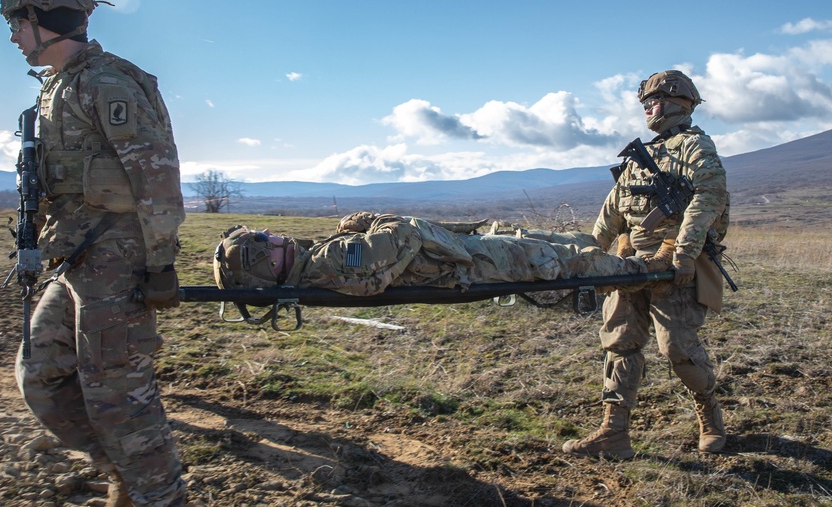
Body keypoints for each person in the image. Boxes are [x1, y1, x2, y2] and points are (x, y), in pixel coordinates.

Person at [0, 0, 205, 507]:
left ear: (42, 20)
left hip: (118, 260)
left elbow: (156, 172)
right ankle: (126, 484)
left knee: (120, 398)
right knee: (39, 372)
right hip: (75, 256)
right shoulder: (58, 87)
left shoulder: (106, 82)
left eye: (17, 24)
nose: (13, 37)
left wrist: (161, 262)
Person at [562, 70, 730, 460]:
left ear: (678, 103)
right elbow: (613, 211)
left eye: (654, 101)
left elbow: (709, 197)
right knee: (619, 343)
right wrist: (586, 255)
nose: (648, 109)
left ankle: (711, 417)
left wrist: (685, 253)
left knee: (679, 350)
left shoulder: (695, 147)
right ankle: (613, 433)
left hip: (674, 265)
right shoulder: (643, 155)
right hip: (630, 263)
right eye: (645, 103)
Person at [213, 212, 675, 294]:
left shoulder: (316, 262)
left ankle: (622, 257)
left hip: (461, 252)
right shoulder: (333, 263)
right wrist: (370, 219)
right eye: (262, 240)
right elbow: (403, 234)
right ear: (267, 263)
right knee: (556, 260)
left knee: (554, 244)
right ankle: (641, 271)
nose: (271, 234)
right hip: (470, 262)